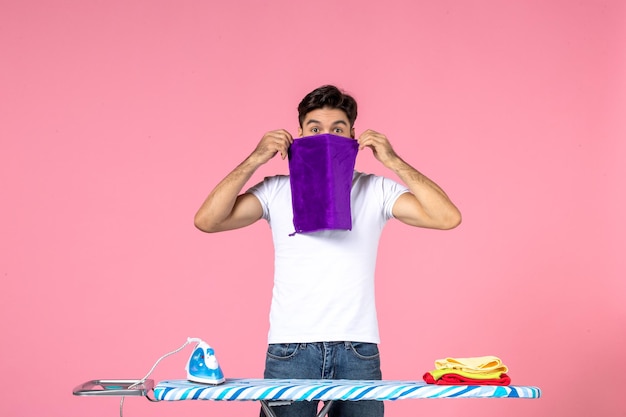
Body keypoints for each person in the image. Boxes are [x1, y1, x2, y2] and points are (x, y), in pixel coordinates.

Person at [194, 85, 461, 417]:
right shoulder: (276, 189)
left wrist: (393, 161)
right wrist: (255, 158)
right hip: (291, 348)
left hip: (358, 349)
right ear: (299, 135)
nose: (326, 136)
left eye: (337, 129)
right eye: (315, 129)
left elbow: (447, 217)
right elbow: (207, 220)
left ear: (353, 136)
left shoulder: (375, 189)